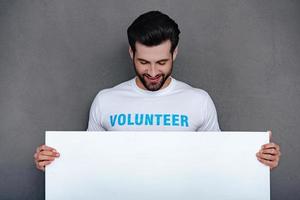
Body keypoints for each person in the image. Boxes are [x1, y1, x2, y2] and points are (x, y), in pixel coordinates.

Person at [34, 11, 281, 171]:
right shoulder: (106, 101)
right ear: (132, 53)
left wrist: (258, 160)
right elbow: (85, 162)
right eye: (143, 62)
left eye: (161, 62)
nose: (152, 71)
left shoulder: (198, 101)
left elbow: (219, 162)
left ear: (174, 53)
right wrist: (54, 162)